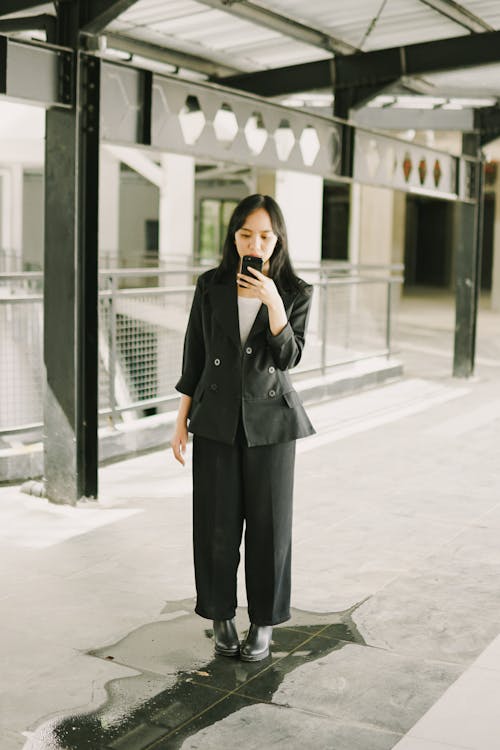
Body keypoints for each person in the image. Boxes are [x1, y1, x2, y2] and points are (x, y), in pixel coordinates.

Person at [171, 194, 315, 662]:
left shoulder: (295, 291)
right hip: (215, 421)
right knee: (216, 525)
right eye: (245, 233)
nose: (255, 242)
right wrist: (180, 423)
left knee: (269, 530)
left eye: (265, 236)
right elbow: (195, 355)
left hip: (272, 423)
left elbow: (289, 357)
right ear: (233, 236)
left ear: (278, 240)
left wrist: (272, 298)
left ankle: (265, 623)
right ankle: (220, 615)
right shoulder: (210, 285)